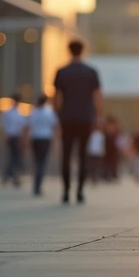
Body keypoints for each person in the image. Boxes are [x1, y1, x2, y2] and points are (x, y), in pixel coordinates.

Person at [53, 39, 104, 204]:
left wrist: (58, 115)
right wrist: (98, 116)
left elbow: (57, 98)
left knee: (66, 155)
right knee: (83, 155)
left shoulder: (62, 72)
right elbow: (97, 97)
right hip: (85, 118)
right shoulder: (91, 72)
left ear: (69, 51)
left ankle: (66, 191)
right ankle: (80, 191)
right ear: (82, 51)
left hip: (67, 118)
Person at [28, 95, 58, 196]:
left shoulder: (34, 112)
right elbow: (54, 126)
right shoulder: (49, 112)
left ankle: (36, 184)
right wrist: (55, 141)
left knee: (37, 162)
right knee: (42, 162)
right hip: (45, 138)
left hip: (35, 138)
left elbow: (29, 126)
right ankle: (38, 184)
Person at [0, 94, 25, 188]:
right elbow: (4, 126)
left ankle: (8, 174)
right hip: (12, 137)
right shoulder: (10, 113)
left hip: (15, 137)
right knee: (15, 157)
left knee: (14, 157)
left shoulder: (17, 113)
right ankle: (13, 176)